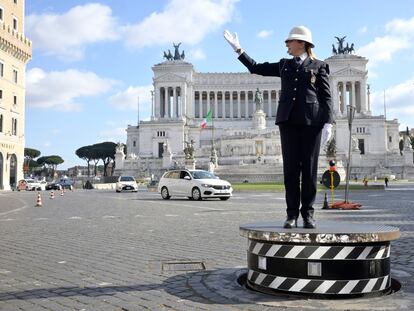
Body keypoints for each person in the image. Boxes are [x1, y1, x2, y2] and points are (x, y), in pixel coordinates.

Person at [224, 26, 333, 229]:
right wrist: (239, 50)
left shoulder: (320, 66)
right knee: (290, 171)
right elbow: (256, 67)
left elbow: (326, 96)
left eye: (290, 41)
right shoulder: (284, 65)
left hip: (312, 123)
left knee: (309, 171)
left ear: (302, 43)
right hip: (288, 121)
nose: (286, 45)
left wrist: (328, 122)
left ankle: (308, 215)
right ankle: (291, 214)